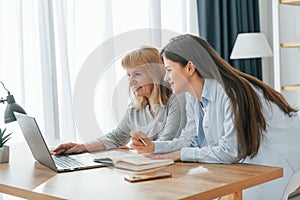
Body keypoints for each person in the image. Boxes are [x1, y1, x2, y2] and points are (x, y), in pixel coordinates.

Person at [130, 34, 300, 200]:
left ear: (189, 68)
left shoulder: (229, 92)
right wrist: (154, 147)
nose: (165, 79)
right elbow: (190, 139)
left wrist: (179, 154)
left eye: (168, 70)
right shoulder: (192, 96)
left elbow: (230, 151)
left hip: (279, 157)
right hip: (251, 161)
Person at [53, 47, 186, 155]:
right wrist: (82, 147)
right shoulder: (136, 106)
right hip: (148, 169)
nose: (131, 81)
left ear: (155, 74)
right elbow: (117, 137)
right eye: (129, 75)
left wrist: (137, 149)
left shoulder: (176, 99)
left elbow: (168, 142)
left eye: (137, 74)